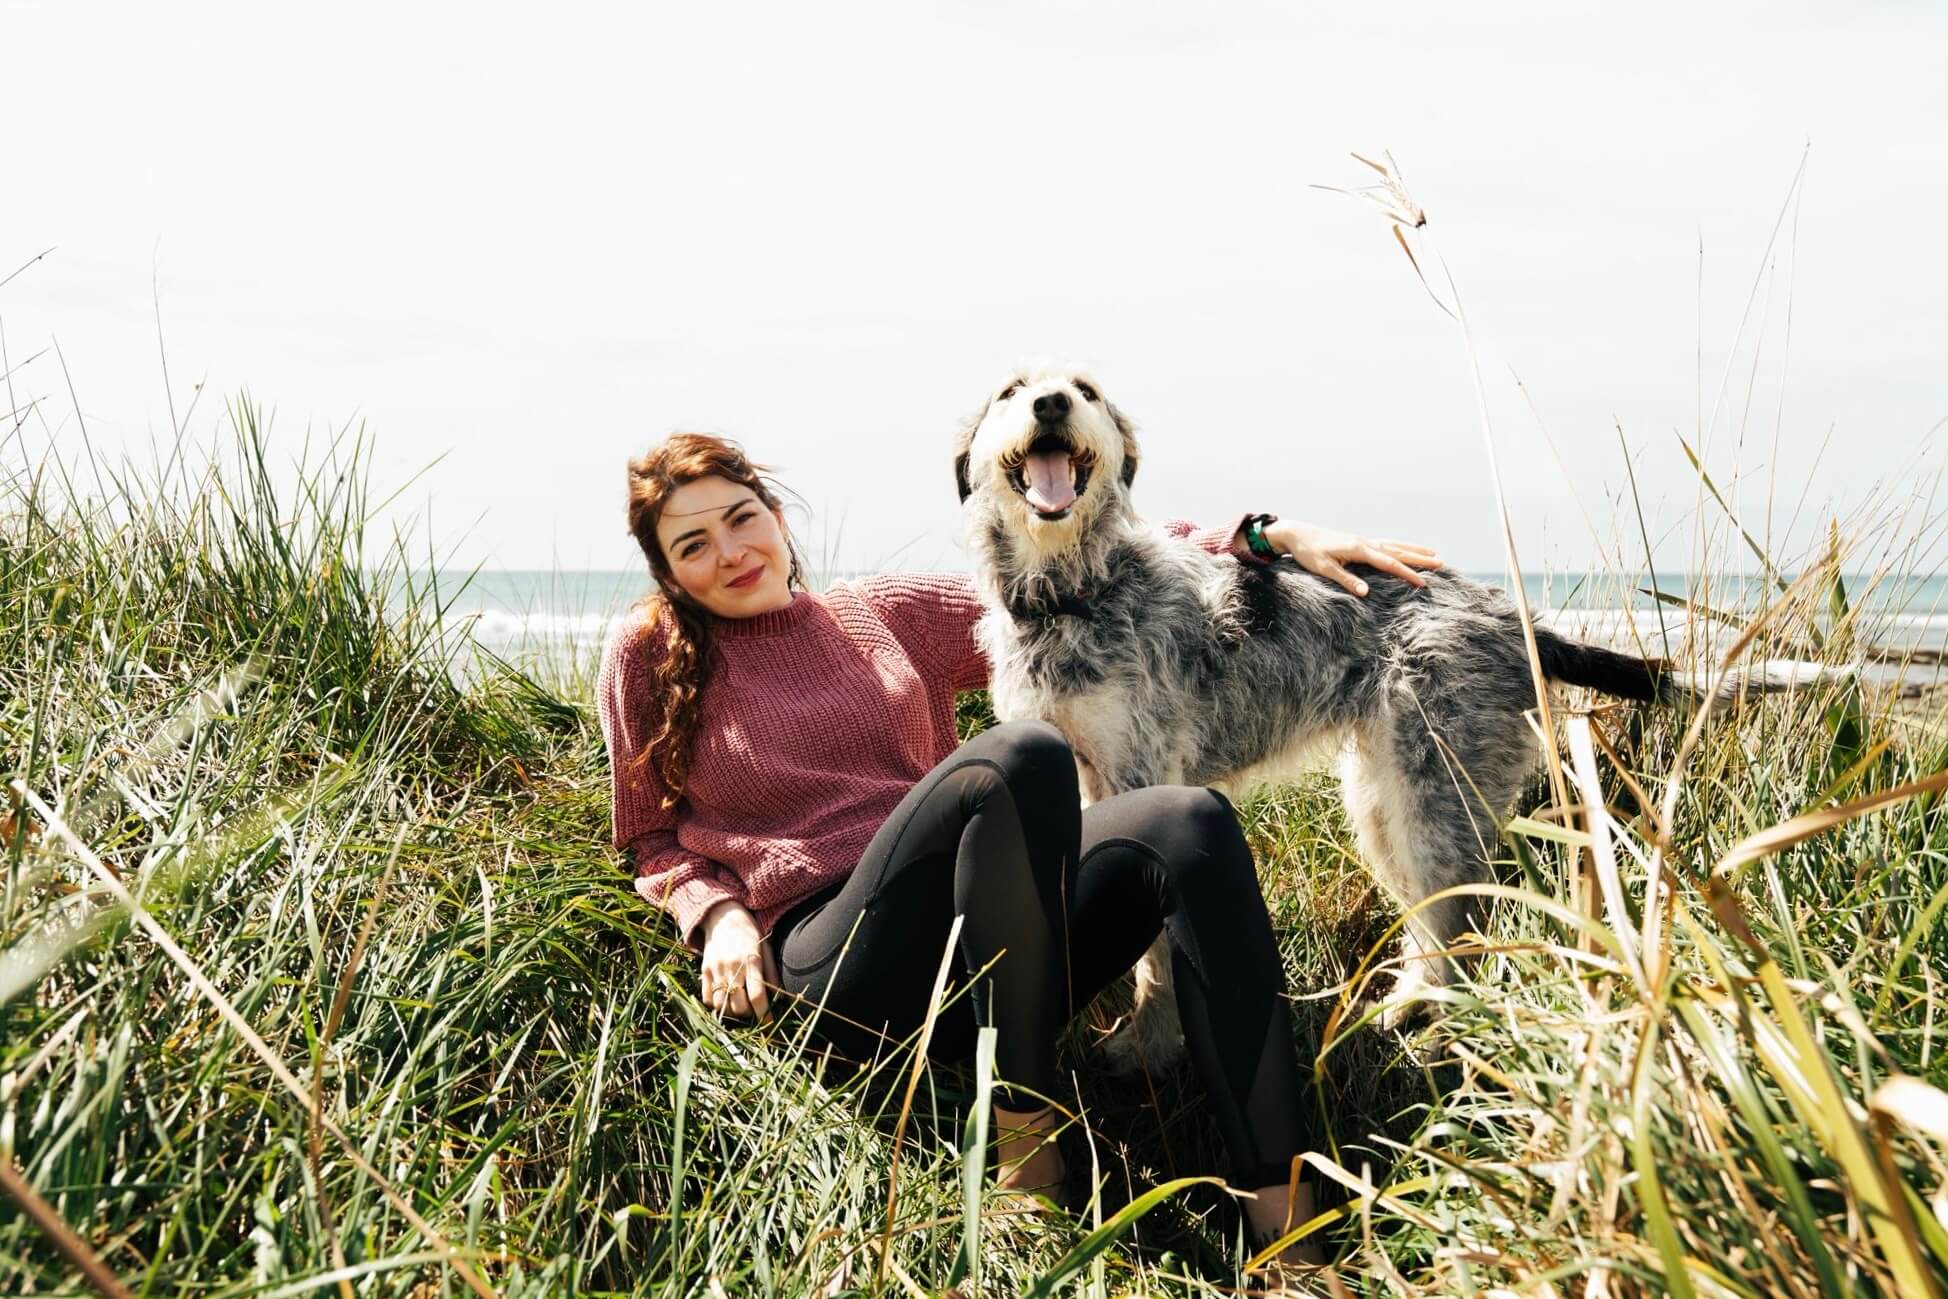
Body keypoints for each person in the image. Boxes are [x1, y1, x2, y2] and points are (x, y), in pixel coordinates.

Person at [596, 432, 1439, 1261]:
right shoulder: (649, 652)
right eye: (693, 544)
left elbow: (1081, 575)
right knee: (1025, 754)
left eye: (743, 518)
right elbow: (647, 834)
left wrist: (1264, 536)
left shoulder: (878, 612)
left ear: (778, 515)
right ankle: (1026, 1134)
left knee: (1189, 817)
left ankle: (1285, 1224)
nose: (732, 552)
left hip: (997, 947)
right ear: (667, 572)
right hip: (843, 963)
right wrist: (720, 914)